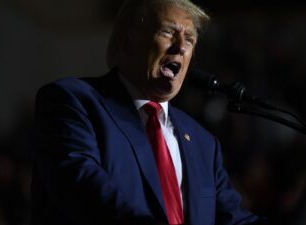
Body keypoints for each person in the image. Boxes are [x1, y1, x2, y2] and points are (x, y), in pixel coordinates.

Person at [30, 0, 264, 224]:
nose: (181, 47)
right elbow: (79, 184)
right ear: (127, 41)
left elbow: (233, 218)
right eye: (168, 32)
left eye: (190, 39)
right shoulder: (74, 101)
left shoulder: (203, 143)